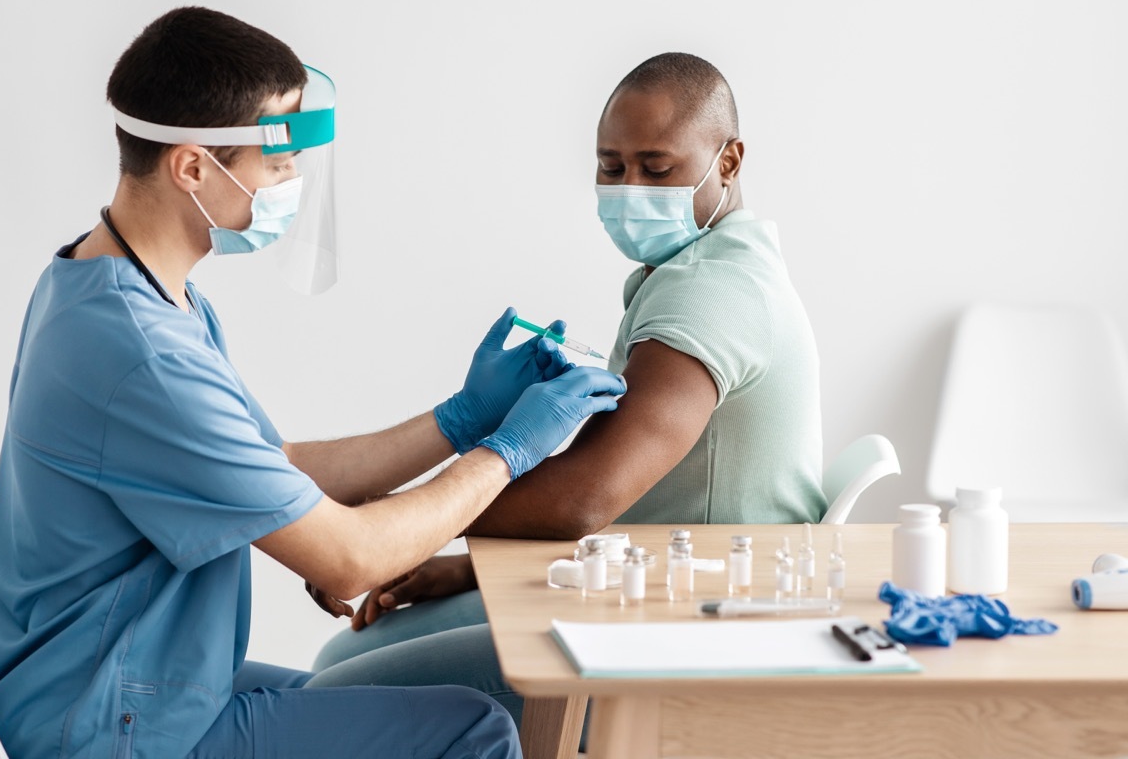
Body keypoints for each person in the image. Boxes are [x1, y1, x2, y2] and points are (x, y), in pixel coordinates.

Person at [0, 6, 626, 759]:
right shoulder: (144, 354)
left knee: (394, 706)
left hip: (106, 680)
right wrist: (509, 450)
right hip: (101, 727)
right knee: (473, 732)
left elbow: (273, 467)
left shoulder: (118, 286)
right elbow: (350, 559)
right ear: (192, 168)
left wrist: (460, 417)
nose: (293, 180)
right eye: (277, 160)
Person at [310, 52, 825, 728]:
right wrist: (464, 568)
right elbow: (642, 504)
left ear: (727, 162)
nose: (628, 188)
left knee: (331, 703)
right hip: (646, 582)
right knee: (331, 667)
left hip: (688, 627)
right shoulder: (706, 267)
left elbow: (587, 497)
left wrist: (398, 527)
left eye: (656, 167)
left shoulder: (710, 292)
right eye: (611, 168)